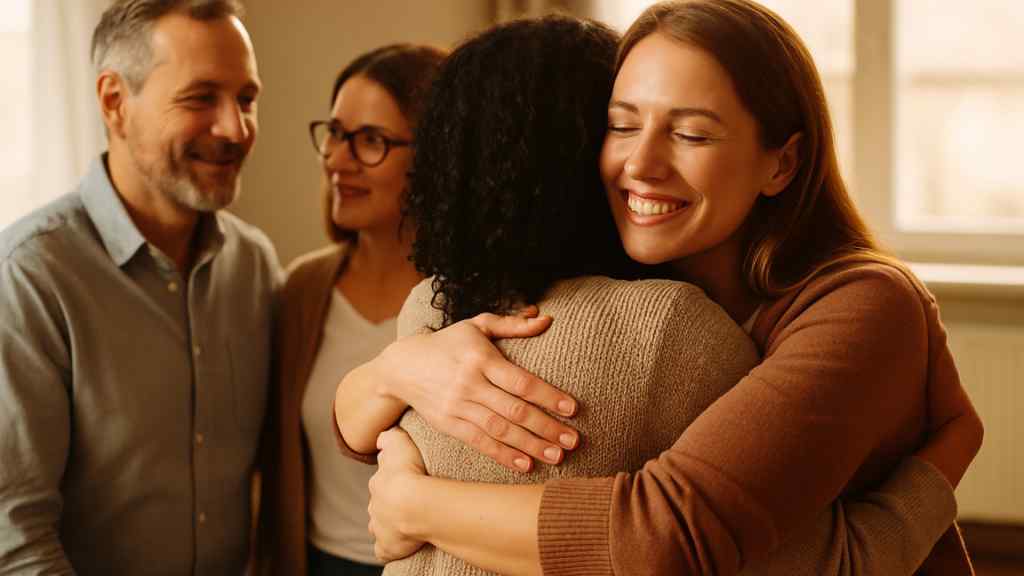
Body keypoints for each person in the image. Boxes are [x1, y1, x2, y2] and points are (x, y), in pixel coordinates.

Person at [335, 2, 983, 575]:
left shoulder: (858, 303)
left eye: (691, 133)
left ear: (781, 163)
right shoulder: (638, 282)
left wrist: (414, 505)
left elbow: (668, 535)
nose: (640, 164)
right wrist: (395, 371)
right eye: (621, 125)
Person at [0, 1, 279, 574]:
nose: (235, 128)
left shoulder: (256, 266)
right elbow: (14, 535)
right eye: (201, 98)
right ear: (114, 102)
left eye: (246, 99)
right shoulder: (31, 276)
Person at [256, 44, 445, 576]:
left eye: (370, 141)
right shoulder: (303, 289)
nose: (338, 159)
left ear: (433, 158)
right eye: (336, 133)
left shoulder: (469, 302)